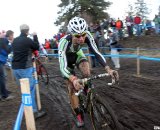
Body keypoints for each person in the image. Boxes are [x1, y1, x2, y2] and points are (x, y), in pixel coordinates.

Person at [58, 17, 119, 127]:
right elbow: (62, 67)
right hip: (67, 62)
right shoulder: (63, 42)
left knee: (86, 71)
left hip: (77, 55)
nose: (81, 38)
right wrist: (73, 79)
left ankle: (89, 92)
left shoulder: (88, 36)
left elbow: (96, 52)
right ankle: (79, 115)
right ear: (71, 34)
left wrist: (108, 68)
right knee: (72, 88)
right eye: (77, 36)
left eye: (83, 34)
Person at [12, 24, 45, 119]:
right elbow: (36, 47)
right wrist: (35, 36)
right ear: (27, 31)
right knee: (30, 90)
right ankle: (33, 112)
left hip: (15, 68)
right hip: (25, 68)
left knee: (24, 91)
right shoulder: (28, 40)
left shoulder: (15, 40)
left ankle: (27, 110)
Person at [0, 30, 14, 101]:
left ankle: (4, 91)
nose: (13, 37)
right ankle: (4, 95)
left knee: (3, 77)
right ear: (10, 35)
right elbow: (7, 51)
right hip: (0, 61)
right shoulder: (4, 40)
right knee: (2, 78)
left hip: (2, 61)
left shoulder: (3, 40)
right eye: (12, 35)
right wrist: (11, 44)